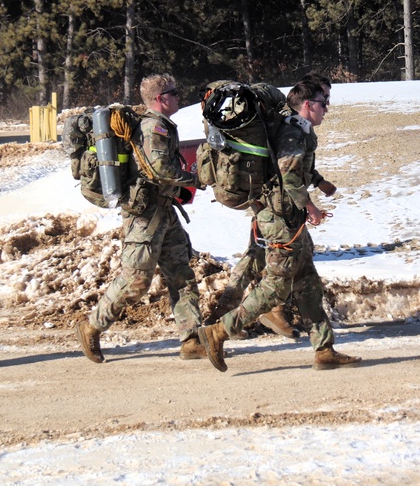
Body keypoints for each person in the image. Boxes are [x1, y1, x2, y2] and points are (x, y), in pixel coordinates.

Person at [199, 75, 361, 371]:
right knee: (274, 288)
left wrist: (318, 185)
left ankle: (324, 350)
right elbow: (288, 176)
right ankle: (218, 331)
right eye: (324, 103)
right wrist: (310, 206)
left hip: (286, 215)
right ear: (310, 105)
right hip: (279, 218)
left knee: (308, 284)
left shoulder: (296, 129)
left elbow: (296, 171)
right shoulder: (292, 132)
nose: (327, 108)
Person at [76, 74, 207, 363]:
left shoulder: (159, 125)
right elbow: (160, 169)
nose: (178, 97)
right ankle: (91, 327)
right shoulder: (153, 127)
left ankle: (191, 339)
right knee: (135, 281)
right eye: (174, 93)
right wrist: (195, 179)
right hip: (144, 217)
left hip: (164, 212)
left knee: (181, 275)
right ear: (160, 99)